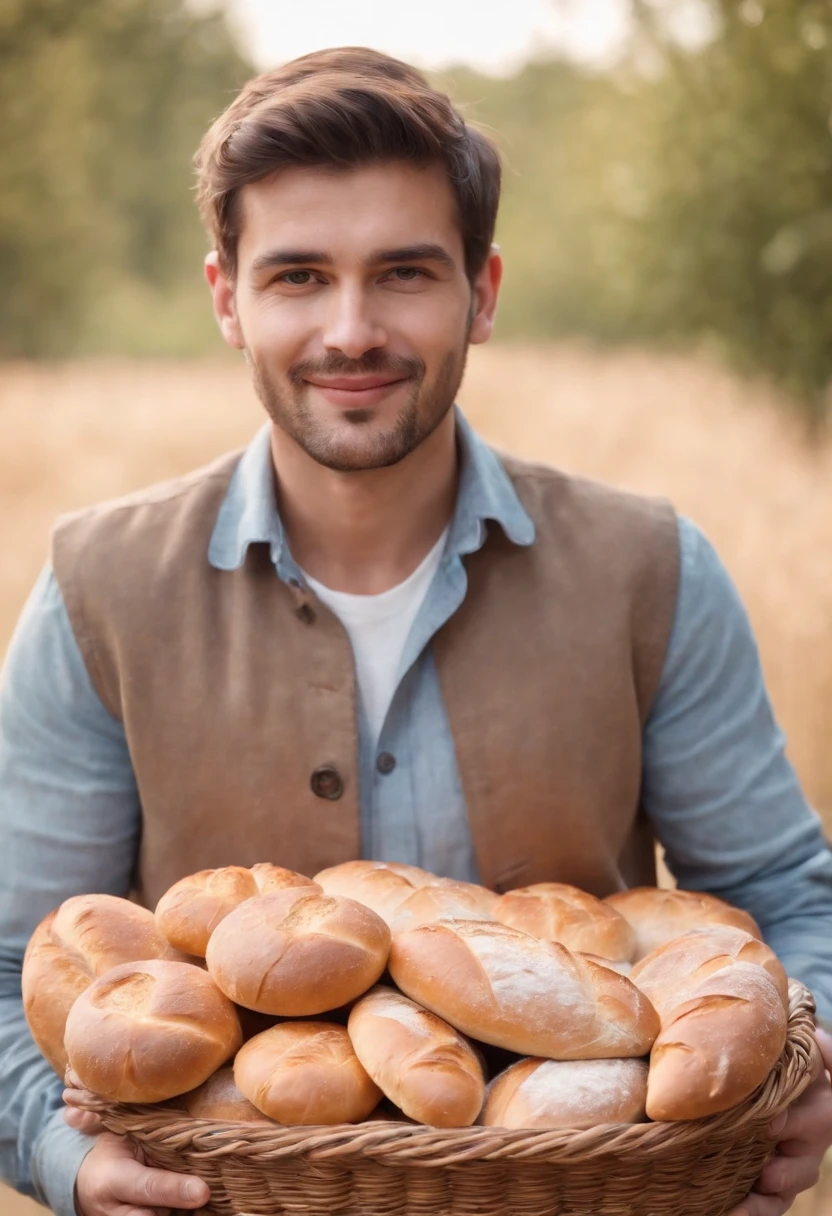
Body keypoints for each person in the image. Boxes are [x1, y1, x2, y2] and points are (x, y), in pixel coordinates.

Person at [1, 44, 831, 1216]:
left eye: (402, 273)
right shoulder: (98, 588)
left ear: (480, 293)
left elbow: (784, 901)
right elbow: (6, 962)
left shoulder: (649, 569)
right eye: (297, 276)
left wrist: (808, 1075)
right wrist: (65, 1158)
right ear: (226, 296)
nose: (351, 331)